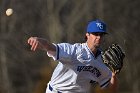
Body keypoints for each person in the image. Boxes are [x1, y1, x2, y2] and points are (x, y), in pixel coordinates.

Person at [27, 19, 118, 93]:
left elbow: (111, 88)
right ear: (87, 35)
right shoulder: (74, 51)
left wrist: (114, 76)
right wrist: (38, 40)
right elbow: (50, 46)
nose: (99, 37)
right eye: (96, 34)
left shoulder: (103, 61)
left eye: (101, 34)